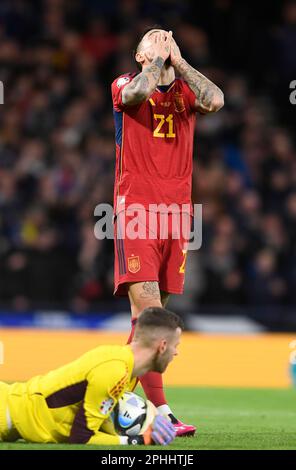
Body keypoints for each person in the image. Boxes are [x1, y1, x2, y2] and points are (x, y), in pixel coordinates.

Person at [111, 26, 224, 435]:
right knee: (152, 314)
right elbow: (135, 96)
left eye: (167, 37)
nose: (162, 38)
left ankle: (108, 401)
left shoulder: (187, 93)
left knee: (149, 320)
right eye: (151, 39)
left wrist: (179, 62)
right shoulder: (125, 82)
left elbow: (216, 99)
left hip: (178, 216)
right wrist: (157, 63)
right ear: (139, 55)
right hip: (136, 211)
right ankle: (162, 412)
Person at [0, 307, 181, 446]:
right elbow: (81, 438)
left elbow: (105, 417)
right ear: (163, 346)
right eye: (176, 346)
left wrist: (151, 418)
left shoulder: (122, 364)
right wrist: (140, 441)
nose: (176, 353)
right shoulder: (114, 370)